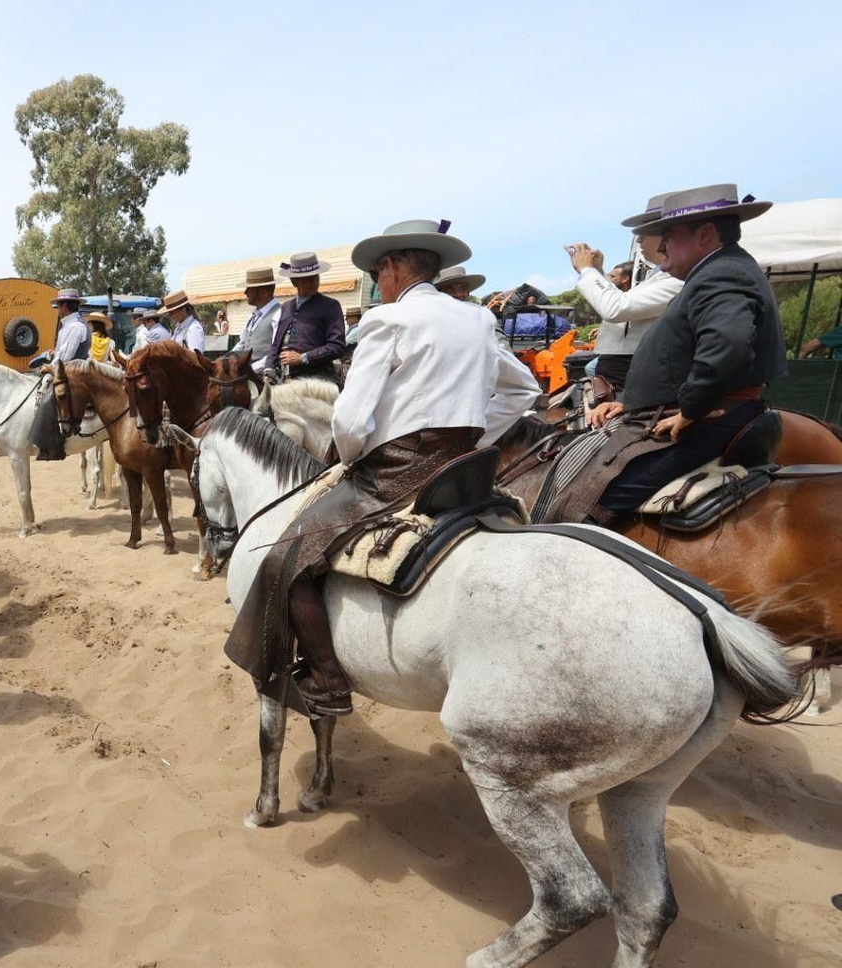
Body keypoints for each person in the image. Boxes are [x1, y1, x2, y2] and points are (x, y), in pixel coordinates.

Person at [226, 220, 540, 716]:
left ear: (392, 267)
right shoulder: (478, 319)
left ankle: (328, 681)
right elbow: (525, 392)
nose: (379, 283)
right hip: (467, 467)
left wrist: (352, 459)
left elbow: (350, 420)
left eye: (377, 273)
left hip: (396, 473)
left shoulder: (386, 320)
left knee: (285, 557)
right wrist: (479, 434)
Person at [587, 184, 785, 522]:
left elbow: (728, 345)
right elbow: (683, 355)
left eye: (669, 235)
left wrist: (691, 409)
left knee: (597, 494)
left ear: (706, 233)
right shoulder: (717, 270)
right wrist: (634, 401)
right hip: (710, 411)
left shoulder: (723, 272)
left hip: (713, 417)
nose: (661, 245)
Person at [568, 207, 683, 401]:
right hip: (623, 368)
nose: (639, 240)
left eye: (643, 234)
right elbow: (622, 301)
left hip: (631, 368)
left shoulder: (676, 279)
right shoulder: (658, 276)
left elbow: (617, 308)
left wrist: (587, 270)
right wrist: (597, 270)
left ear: (665, 237)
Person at [260, 251, 345, 381]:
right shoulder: (286, 307)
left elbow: (336, 347)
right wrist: (268, 369)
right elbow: (276, 344)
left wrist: (303, 357)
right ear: (294, 281)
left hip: (318, 379)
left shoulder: (330, 306)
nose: (314, 281)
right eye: (307, 278)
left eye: (316, 276)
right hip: (284, 378)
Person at [234, 267, 284, 374]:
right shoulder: (253, 315)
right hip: (249, 373)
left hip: (267, 377)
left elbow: (277, 351)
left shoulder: (279, 313)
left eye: (250, 289)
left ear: (263, 292)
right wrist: (226, 360)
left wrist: (251, 369)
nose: (245, 292)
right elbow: (243, 343)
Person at [50, 288, 91, 364]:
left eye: (58, 306)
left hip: (71, 373)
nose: (58, 310)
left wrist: (49, 367)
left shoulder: (74, 327)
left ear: (64, 306)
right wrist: (55, 353)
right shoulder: (73, 325)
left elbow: (64, 358)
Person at [161, 290, 207, 355]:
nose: (170, 315)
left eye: (171, 312)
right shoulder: (178, 328)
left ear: (181, 310)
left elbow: (195, 356)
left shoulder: (193, 328)